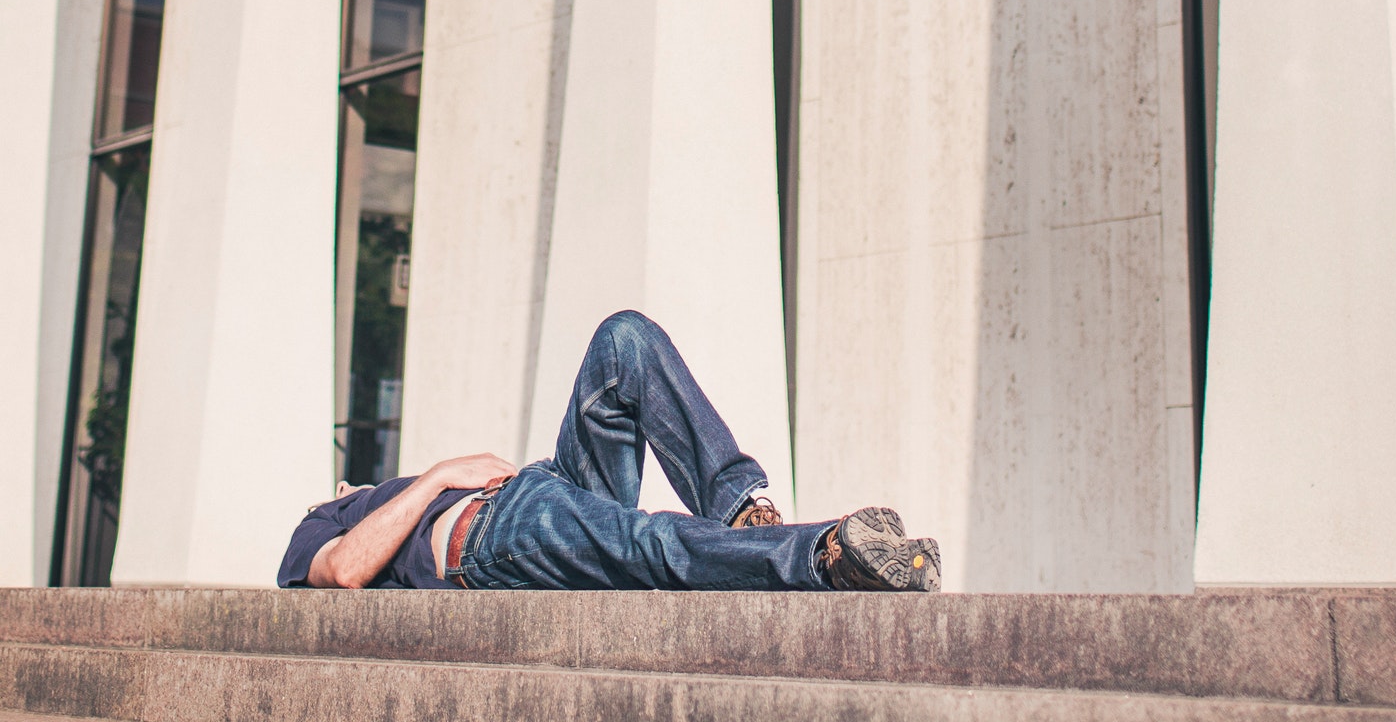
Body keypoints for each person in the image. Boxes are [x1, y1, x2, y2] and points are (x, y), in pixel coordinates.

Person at [277, 310, 940, 593]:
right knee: (647, 541)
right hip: (495, 538)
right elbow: (344, 571)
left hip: (540, 485)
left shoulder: (382, 498)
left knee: (624, 338)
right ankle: (826, 553)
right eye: (342, 489)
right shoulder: (324, 523)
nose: (347, 484)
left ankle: (737, 505)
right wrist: (439, 476)